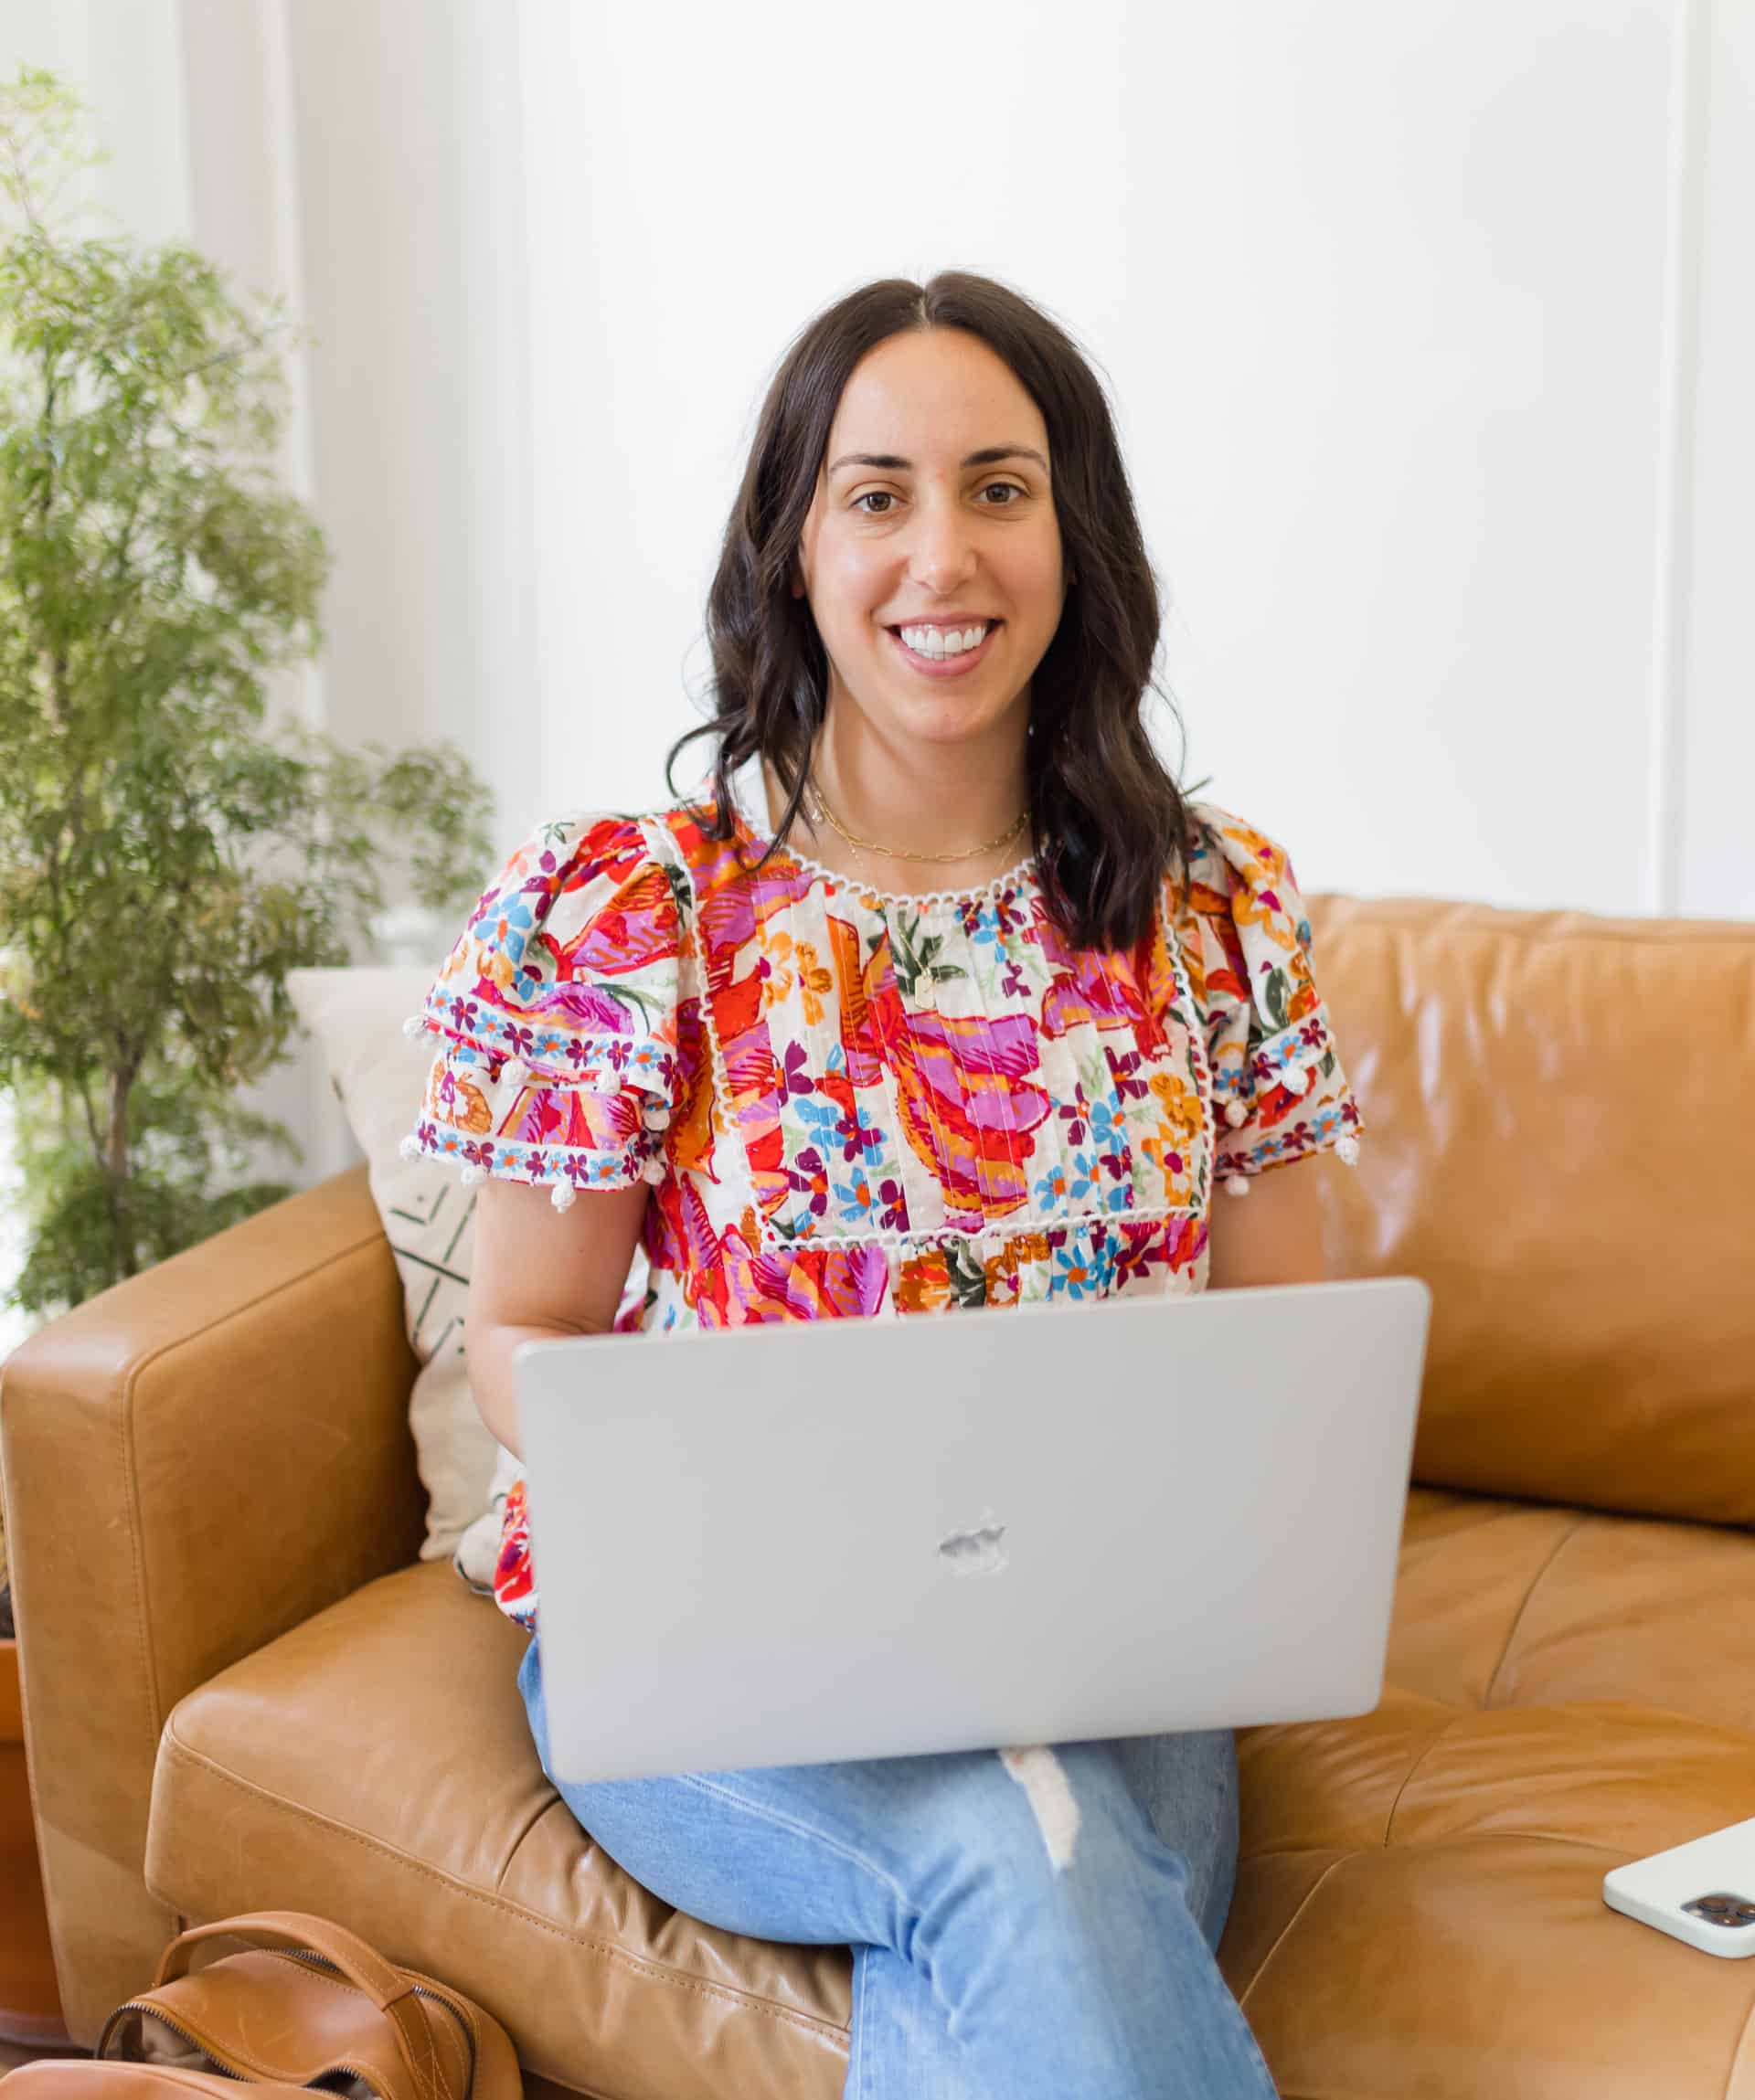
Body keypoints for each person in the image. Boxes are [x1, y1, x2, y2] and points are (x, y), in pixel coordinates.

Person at [402, 270, 1366, 2099]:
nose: (945, 555)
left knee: (1035, 1850)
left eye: (1001, 489)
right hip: (710, 1642)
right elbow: (519, 1335)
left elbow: (1286, 1355)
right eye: (878, 494)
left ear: (1073, 536)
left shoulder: (1218, 909)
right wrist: (710, 1443)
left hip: (1113, 1647)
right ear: (792, 546)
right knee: (1022, 1850)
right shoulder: (634, 907)